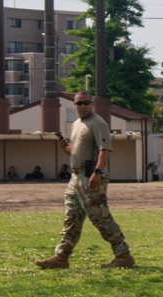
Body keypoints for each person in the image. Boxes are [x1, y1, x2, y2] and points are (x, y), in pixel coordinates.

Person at [35, 90, 135, 270]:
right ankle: (61, 257)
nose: (82, 106)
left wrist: (97, 172)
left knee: (100, 217)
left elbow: (105, 150)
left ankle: (123, 255)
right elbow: (77, 150)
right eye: (78, 103)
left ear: (91, 104)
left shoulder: (98, 123)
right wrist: (68, 149)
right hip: (76, 177)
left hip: (90, 176)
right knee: (71, 218)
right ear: (74, 105)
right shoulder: (76, 124)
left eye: (86, 103)